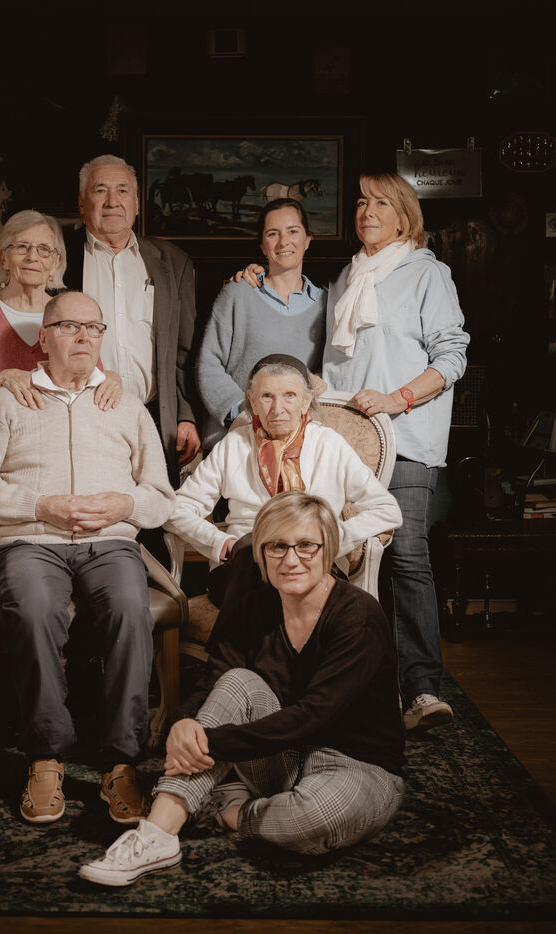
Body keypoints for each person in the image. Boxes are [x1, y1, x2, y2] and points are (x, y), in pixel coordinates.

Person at [236, 173, 470, 733]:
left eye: (381, 202)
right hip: (344, 440)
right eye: (362, 201)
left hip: (406, 437)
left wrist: (396, 398)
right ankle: (342, 684)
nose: (367, 210)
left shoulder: (428, 273)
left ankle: (421, 688)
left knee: (405, 554)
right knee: (336, 553)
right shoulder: (346, 276)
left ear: (404, 216)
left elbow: (453, 355)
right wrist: (253, 276)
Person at [79, 490, 405, 886]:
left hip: (356, 762)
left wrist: (208, 743)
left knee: (314, 817)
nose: (291, 560)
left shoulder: (358, 615)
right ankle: (157, 833)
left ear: (327, 549)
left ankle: (230, 810)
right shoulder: (252, 606)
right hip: (281, 755)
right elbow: (214, 678)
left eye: (306, 545)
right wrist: (182, 722)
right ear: (262, 553)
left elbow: (313, 716)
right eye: (276, 546)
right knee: (237, 681)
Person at [0, 290, 175, 826]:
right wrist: (40, 505)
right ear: (43, 338)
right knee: (34, 609)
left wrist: (124, 505)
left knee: (129, 609)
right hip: (29, 542)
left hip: (111, 542)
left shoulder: (126, 405)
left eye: (93, 328)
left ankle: (121, 762)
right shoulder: (6, 401)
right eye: (69, 326)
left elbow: (161, 496)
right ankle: (45, 756)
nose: (83, 336)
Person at [164, 354, 402, 609]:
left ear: (306, 401)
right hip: (245, 563)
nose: (277, 409)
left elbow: (387, 510)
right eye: (267, 396)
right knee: (273, 589)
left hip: (314, 564)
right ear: (253, 402)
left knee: (320, 597)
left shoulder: (329, 444)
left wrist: (330, 539)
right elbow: (176, 510)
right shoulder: (233, 445)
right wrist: (220, 542)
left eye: (289, 395)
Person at [64, 154, 200, 484]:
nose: (112, 201)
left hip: (153, 418)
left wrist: (185, 414)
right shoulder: (60, 258)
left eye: (122, 190)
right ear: (82, 203)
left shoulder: (173, 263)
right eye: (100, 190)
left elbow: (185, 351)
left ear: (137, 204)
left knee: (152, 511)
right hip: (78, 418)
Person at [0, 209, 121, 435]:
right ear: (4, 258)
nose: (32, 257)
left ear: (56, 262)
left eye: (44, 249)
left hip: (58, 446)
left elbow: (91, 387)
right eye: (21, 246)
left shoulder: (71, 311)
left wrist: (111, 380)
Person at [197, 198, 327, 452]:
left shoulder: (326, 304)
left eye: (293, 231)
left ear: (307, 240)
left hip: (298, 445)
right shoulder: (237, 294)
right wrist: (246, 415)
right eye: (272, 234)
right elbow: (208, 364)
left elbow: (329, 372)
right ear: (263, 246)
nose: (283, 242)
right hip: (235, 439)